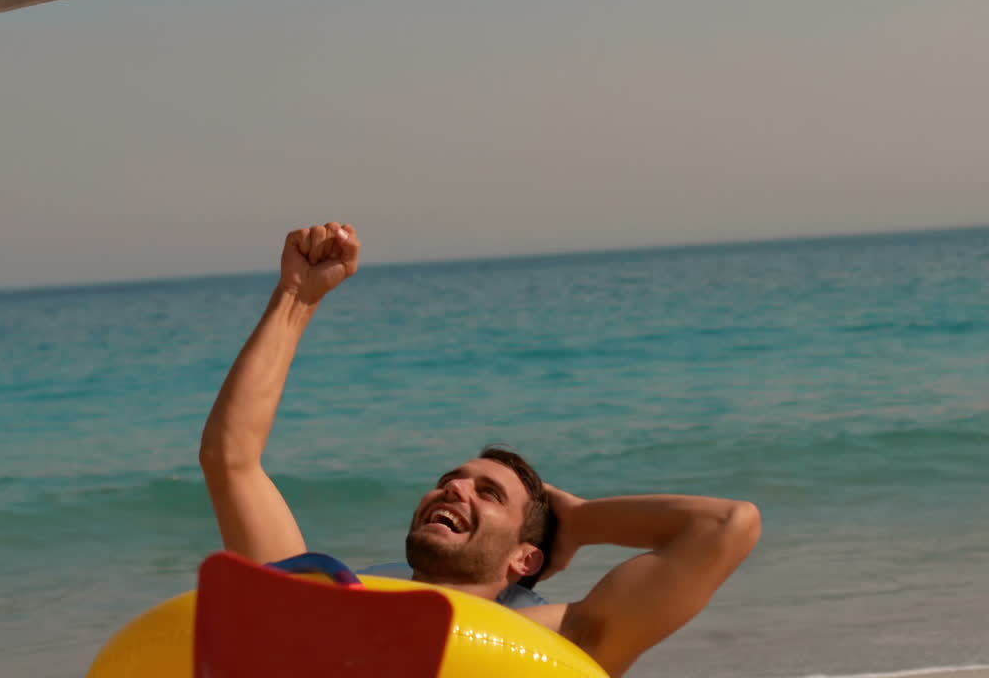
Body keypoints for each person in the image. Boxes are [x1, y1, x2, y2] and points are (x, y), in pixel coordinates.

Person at [199, 222, 762, 678]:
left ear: (526, 559)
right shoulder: (326, 605)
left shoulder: (559, 639)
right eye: (452, 478)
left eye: (488, 492)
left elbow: (727, 526)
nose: (454, 487)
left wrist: (581, 522)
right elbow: (231, 463)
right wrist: (296, 297)